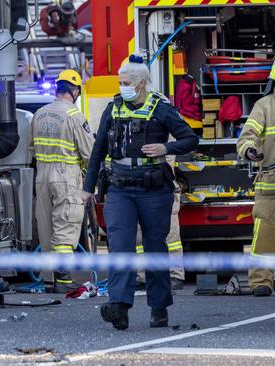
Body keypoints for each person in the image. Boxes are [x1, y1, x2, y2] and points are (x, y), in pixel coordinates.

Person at [83, 54, 198, 330]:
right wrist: (88, 189)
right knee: (119, 247)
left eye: (128, 82)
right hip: (120, 189)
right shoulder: (113, 109)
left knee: (154, 249)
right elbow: (98, 150)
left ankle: (159, 308)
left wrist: (165, 148)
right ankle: (119, 306)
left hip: (154, 190)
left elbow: (190, 139)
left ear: (143, 83)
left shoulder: (161, 109)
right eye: (121, 82)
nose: (123, 86)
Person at [236, 52, 275, 297]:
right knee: (265, 235)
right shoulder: (264, 106)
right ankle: (260, 281)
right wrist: (249, 150)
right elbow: (247, 136)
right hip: (271, 181)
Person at [31, 69, 95, 293]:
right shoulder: (74, 116)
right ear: (75, 90)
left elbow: (31, 148)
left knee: (46, 229)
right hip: (66, 176)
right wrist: (92, 181)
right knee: (66, 228)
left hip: (42, 177)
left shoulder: (39, 113)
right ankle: (64, 279)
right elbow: (88, 153)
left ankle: (49, 279)